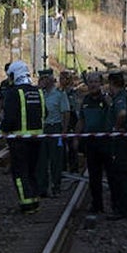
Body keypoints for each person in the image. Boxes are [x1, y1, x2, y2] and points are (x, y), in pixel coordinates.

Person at [0, 60, 44, 214]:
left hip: (19, 141)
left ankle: (26, 204)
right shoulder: (37, 92)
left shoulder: (14, 93)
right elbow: (45, 113)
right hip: (37, 139)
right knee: (32, 171)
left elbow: (10, 118)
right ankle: (35, 200)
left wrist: (2, 131)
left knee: (19, 173)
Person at [76, 72, 110, 214]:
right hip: (91, 143)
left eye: (96, 82)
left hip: (107, 143)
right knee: (94, 177)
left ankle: (118, 204)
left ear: (101, 83)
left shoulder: (107, 100)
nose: (93, 85)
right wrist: (76, 138)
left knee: (112, 175)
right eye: (90, 82)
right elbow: (81, 120)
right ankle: (97, 205)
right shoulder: (85, 101)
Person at [37, 69, 70, 198]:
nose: (43, 81)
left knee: (56, 160)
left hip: (55, 127)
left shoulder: (59, 94)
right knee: (41, 160)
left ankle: (56, 186)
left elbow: (66, 112)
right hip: (42, 128)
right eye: (42, 78)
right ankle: (42, 187)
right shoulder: (39, 93)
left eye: (46, 78)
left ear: (51, 79)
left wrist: (64, 130)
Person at [105, 72, 127, 219]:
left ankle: (123, 209)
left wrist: (116, 128)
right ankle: (124, 207)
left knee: (121, 176)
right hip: (123, 141)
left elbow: (122, 113)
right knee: (123, 175)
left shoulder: (120, 98)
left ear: (112, 84)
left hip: (121, 143)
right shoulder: (120, 97)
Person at [61, 70, 81, 173]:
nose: (60, 81)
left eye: (63, 78)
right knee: (62, 148)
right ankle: (63, 168)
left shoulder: (73, 92)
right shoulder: (60, 91)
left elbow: (75, 108)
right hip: (62, 121)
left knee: (72, 148)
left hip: (72, 121)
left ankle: (74, 169)